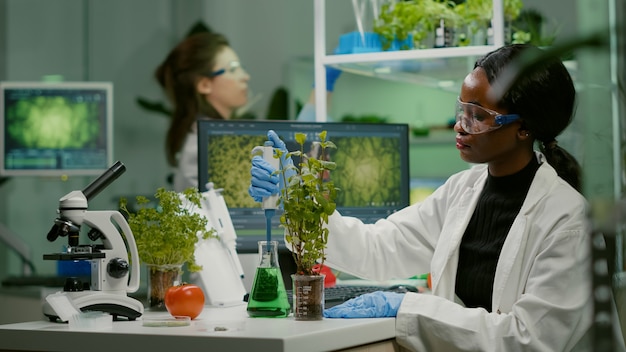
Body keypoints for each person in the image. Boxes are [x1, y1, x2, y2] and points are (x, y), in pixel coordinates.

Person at [248, 44, 594, 351]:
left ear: (524, 127)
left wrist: (407, 308)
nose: (461, 125)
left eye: (478, 117)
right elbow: (377, 249)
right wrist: (295, 198)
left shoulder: (566, 219)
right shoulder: (462, 191)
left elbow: (528, 340)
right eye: (462, 110)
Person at [155, 31, 341, 192]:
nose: (245, 76)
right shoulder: (203, 146)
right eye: (234, 69)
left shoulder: (220, 136)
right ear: (204, 84)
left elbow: (299, 153)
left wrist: (325, 83)